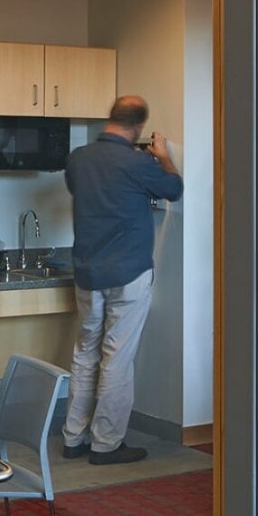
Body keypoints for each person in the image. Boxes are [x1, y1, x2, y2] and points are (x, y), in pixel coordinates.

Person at [60, 95, 182, 465]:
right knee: (116, 358)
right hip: (128, 273)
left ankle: (73, 438)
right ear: (139, 126)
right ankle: (106, 444)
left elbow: (84, 191)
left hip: (88, 272)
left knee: (85, 353)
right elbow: (173, 189)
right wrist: (164, 156)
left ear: (111, 117)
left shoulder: (78, 159)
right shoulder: (138, 163)